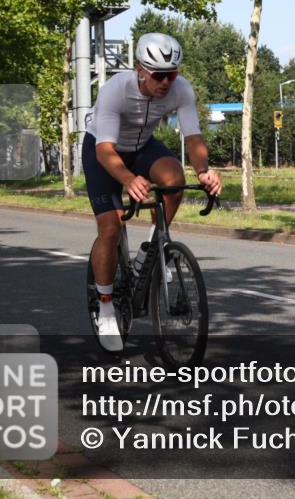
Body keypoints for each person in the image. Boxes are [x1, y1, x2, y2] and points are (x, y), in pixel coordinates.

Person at [83, 32, 222, 351]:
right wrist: (129, 179)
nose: (166, 83)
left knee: (174, 179)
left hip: (142, 145)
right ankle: (105, 305)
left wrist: (204, 170)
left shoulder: (181, 89)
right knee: (111, 227)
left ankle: (151, 246)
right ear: (140, 70)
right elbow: (105, 151)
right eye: (159, 75)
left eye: (172, 75)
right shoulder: (116, 90)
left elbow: (194, 138)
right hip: (103, 148)